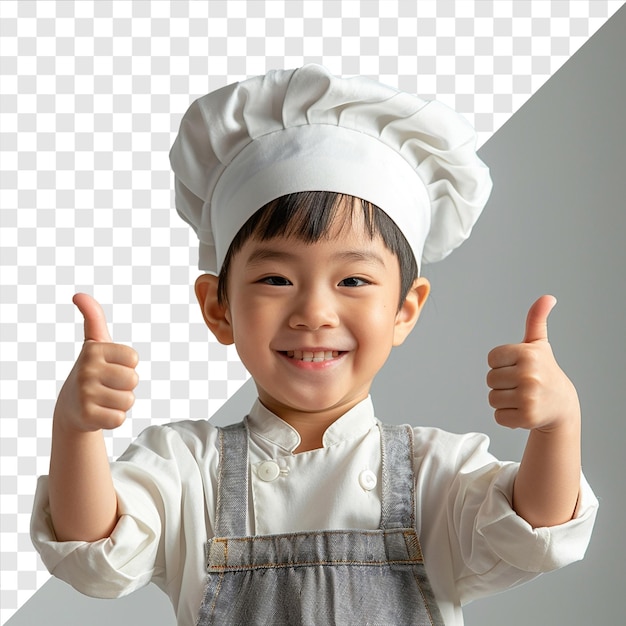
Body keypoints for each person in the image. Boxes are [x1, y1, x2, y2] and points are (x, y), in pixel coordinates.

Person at [31, 65, 598, 625]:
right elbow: (93, 556)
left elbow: (536, 533)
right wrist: (75, 430)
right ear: (218, 308)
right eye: (277, 279)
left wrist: (557, 426)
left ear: (405, 309)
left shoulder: (437, 475)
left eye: (353, 280)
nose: (314, 313)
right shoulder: (186, 471)